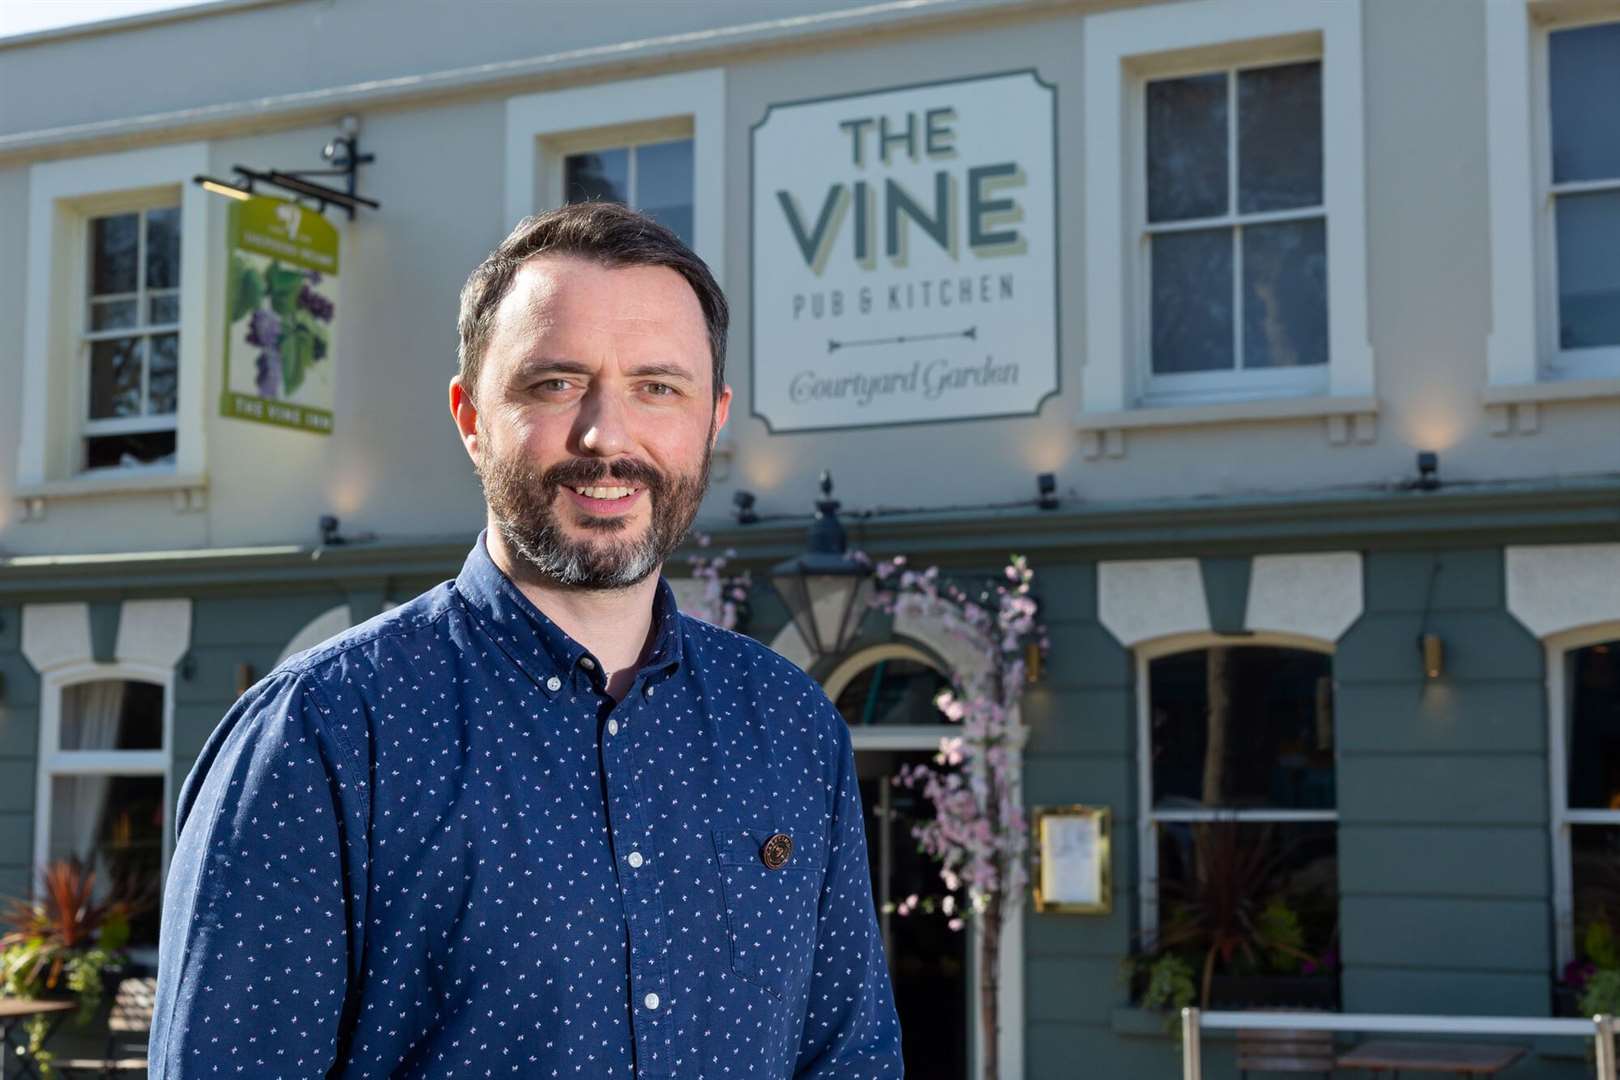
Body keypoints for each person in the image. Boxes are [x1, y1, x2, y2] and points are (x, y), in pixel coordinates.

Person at [149, 203, 904, 1078]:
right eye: (555, 384)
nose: (606, 436)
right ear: (471, 417)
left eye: (658, 387)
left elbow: (849, 1058)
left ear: (713, 420)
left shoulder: (789, 727)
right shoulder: (319, 736)